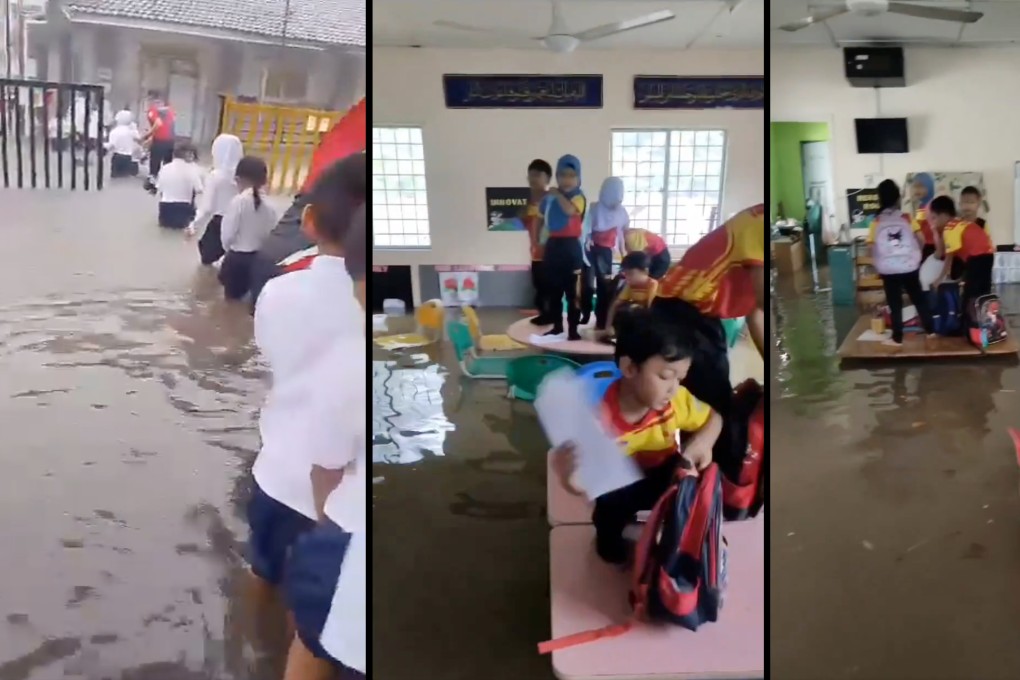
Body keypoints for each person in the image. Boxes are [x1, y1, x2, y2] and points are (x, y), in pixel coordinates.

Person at [247, 154, 366, 642]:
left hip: (277, 473)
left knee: (261, 570)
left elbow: (272, 358)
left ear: (311, 221)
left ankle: (249, 641)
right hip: (339, 503)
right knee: (316, 611)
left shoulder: (278, 292)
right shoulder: (363, 309)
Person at [551, 310, 721, 564]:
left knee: (689, 490)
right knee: (610, 528)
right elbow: (582, 481)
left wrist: (702, 443)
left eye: (680, 378)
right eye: (664, 376)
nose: (673, 388)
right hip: (617, 481)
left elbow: (713, 418)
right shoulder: (596, 419)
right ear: (630, 368)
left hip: (662, 471)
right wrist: (568, 478)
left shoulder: (676, 401)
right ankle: (611, 542)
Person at [283, 204, 367, 680]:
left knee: (311, 644)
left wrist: (322, 525)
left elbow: (326, 468)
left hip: (339, 537)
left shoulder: (345, 362)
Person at [651, 205, 765, 484]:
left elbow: (755, 312)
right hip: (681, 313)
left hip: (695, 313)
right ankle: (714, 486)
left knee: (704, 401)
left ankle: (699, 476)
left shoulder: (754, 222)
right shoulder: (758, 224)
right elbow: (763, 302)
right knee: (711, 404)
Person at [867, 179, 935, 347]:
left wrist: (878, 261)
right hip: (910, 266)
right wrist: (915, 254)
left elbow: (870, 247)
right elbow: (921, 239)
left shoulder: (876, 222)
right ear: (898, 199)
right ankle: (931, 331)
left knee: (894, 302)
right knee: (918, 297)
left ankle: (897, 338)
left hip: (888, 269)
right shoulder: (906, 218)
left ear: (880, 199)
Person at [541, 154, 587, 340]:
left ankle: (573, 330)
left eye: (571, 175)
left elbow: (569, 211)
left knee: (572, 293)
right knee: (554, 292)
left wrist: (557, 194)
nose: (567, 180)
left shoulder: (578, 197)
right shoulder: (550, 198)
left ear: (578, 178)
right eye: (562, 175)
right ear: (557, 177)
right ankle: (557, 327)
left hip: (571, 248)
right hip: (553, 246)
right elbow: (543, 217)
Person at [219, 156, 278, 300]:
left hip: (237, 259)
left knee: (230, 303)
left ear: (239, 179)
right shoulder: (271, 204)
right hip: (259, 260)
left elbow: (227, 234)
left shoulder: (239, 201)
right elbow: (271, 232)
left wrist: (228, 252)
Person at [187, 134, 244, 264]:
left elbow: (207, 208)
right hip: (242, 223)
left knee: (207, 259)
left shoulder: (215, 176)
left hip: (220, 223)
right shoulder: (244, 174)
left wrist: (194, 226)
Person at [930, 195, 995, 308]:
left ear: (944, 215)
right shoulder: (960, 223)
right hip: (988, 255)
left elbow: (949, 257)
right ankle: (985, 318)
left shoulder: (949, 228)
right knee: (983, 291)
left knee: (970, 294)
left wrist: (939, 279)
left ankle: (968, 322)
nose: (933, 223)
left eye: (934, 218)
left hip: (977, 257)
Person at [588, 176, 629, 330]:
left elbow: (624, 234)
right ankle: (600, 320)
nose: (617, 200)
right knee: (598, 288)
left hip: (614, 254)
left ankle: (606, 322)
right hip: (595, 252)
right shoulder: (594, 208)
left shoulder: (622, 212)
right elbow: (587, 232)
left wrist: (625, 255)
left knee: (610, 289)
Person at [525, 159, 554, 325]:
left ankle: (551, 317)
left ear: (548, 178)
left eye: (537, 175)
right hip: (535, 253)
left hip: (549, 253)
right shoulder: (530, 202)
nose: (532, 179)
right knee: (539, 286)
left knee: (548, 288)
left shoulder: (551, 200)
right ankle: (544, 315)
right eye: (530, 175)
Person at [605, 252, 658, 333]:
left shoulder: (652, 284)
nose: (627, 277)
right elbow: (615, 305)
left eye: (631, 274)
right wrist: (608, 326)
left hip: (647, 322)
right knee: (622, 310)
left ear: (645, 271)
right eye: (626, 274)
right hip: (634, 319)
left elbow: (651, 310)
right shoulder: (630, 285)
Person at [156, 143, 203, 229]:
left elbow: (159, 188)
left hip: (164, 209)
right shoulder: (192, 169)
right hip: (183, 209)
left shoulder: (165, 168)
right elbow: (199, 189)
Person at [142, 93, 176, 193]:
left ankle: (153, 183)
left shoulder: (152, 111)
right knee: (167, 162)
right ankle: (168, 182)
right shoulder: (170, 111)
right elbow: (170, 125)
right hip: (170, 140)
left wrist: (146, 136)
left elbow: (158, 124)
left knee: (155, 162)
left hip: (160, 140)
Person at [105, 110, 140, 178]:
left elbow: (111, 145)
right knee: (125, 177)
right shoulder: (131, 132)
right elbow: (139, 139)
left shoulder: (114, 132)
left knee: (115, 178)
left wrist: (104, 146)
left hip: (117, 156)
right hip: (128, 157)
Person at [910, 173, 937, 259]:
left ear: (929, 187)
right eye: (915, 186)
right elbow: (918, 225)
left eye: (921, 186)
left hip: (933, 246)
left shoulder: (932, 205)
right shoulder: (921, 206)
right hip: (924, 245)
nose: (917, 190)